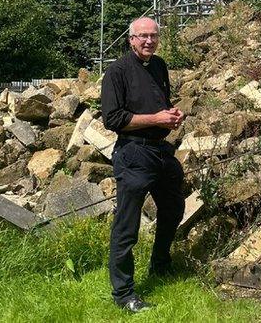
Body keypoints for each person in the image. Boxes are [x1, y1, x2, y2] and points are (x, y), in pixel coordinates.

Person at [100, 16, 186, 313]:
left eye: (153, 36)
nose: (149, 41)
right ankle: (124, 294)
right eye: (142, 36)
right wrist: (156, 119)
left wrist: (170, 116)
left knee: (175, 207)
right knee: (127, 226)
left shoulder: (159, 65)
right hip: (133, 154)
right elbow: (113, 119)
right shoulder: (117, 71)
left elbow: (158, 105)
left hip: (160, 151)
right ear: (131, 39)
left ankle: (160, 265)